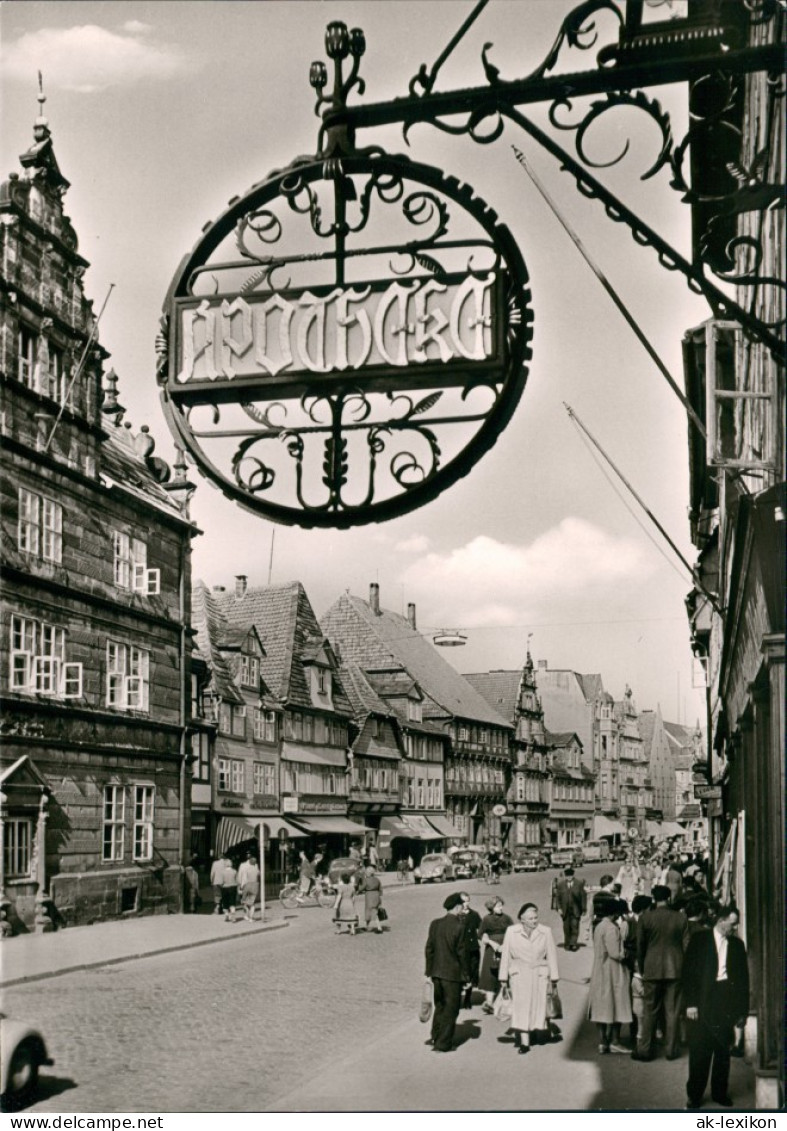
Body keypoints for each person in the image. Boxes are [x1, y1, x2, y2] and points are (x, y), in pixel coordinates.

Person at [683, 904, 749, 1110]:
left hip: (726, 1000)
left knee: (723, 1050)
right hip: (702, 1001)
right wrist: (691, 1003)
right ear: (721, 921)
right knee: (700, 1051)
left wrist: (742, 1012)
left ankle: (720, 1093)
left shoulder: (737, 946)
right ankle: (694, 1095)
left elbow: (743, 981)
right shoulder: (699, 940)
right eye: (733, 924)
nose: (735, 929)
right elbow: (688, 974)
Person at [631, 884, 689, 1061]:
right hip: (675, 969)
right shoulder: (680, 918)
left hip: (652, 968)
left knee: (650, 1010)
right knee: (672, 1011)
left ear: (654, 899)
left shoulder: (645, 918)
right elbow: (687, 946)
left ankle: (645, 1049)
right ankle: (671, 1050)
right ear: (669, 898)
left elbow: (640, 947)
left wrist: (642, 967)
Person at [498, 902, 560, 1055]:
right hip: (519, 975)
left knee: (539, 1006)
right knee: (522, 1007)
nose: (534, 921)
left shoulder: (545, 931)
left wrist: (554, 977)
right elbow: (505, 954)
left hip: (539, 974)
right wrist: (503, 977)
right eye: (530, 918)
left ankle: (537, 1033)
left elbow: (551, 955)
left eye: (536, 917)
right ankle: (525, 1042)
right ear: (522, 920)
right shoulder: (511, 932)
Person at [424, 892, 471, 1053]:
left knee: (440, 1006)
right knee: (451, 1008)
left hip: (436, 973)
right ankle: (443, 1044)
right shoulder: (459, 926)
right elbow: (461, 954)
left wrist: (429, 970)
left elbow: (429, 949)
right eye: (461, 907)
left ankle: (435, 1036)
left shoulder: (435, 924)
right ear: (457, 907)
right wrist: (467, 976)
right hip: (452, 975)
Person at [588, 900, 632, 1054]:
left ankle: (602, 1041)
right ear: (615, 913)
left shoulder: (599, 926)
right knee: (617, 1003)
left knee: (601, 1005)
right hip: (612, 971)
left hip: (600, 968)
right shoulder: (612, 928)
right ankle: (615, 1040)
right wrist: (627, 954)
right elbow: (615, 953)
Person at [478, 896, 514, 1012]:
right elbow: (480, 934)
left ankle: (508, 1001)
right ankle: (489, 1002)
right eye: (498, 906)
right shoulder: (486, 920)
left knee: (507, 973)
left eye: (501, 905)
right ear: (492, 908)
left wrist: (506, 945)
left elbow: (514, 931)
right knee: (490, 975)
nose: (501, 908)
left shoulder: (507, 918)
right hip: (491, 949)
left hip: (506, 947)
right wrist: (489, 941)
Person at [554, 867, 587, 951]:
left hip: (576, 910)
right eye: (567, 875)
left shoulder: (579, 884)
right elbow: (557, 897)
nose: (569, 877)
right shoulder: (561, 885)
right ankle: (567, 943)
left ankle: (573, 944)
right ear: (565, 876)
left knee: (575, 926)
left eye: (570, 875)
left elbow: (583, 897)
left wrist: (583, 909)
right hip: (565, 910)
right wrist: (559, 908)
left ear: (573, 875)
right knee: (566, 927)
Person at [459, 892, 482, 1007]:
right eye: (463, 901)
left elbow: (481, 929)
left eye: (467, 901)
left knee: (471, 973)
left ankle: (468, 998)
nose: (465, 904)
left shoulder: (474, 914)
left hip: (473, 948)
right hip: (461, 950)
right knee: (461, 973)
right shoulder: (456, 915)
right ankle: (458, 997)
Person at [357, 864, 383, 933]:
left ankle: (379, 927)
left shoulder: (366, 880)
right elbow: (380, 889)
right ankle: (367, 926)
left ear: (368, 873)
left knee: (372, 911)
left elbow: (361, 888)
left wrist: (359, 884)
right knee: (371, 911)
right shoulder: (377, 879)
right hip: (376, 895)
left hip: (369, 896)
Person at [332, 870, 358, 935]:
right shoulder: (352, 887)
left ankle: (338, 930)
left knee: (338, 916)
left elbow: (339, 896)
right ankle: (352, 930)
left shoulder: (340, 887)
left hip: (342, 903)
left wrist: (336, 904)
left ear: (342, 880)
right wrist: (353, 904)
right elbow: (353, 897)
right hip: (350, 903)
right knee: (351, 917)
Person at [238, 852, 260, 922]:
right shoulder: (256, 866)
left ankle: (246, 915)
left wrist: (240, 885)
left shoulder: (243, 865)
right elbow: (258, 875)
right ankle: (250, 917)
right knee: (252, 902)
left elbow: (241, 876)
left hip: (246, 885)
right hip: (254, 886)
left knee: (244, 901)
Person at [221, 857, 238, 922]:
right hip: (233, 887)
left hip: (225, 888)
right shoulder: (234, 871)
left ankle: (227, 915)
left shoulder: (222, 872)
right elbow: (237, 880)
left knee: (225, 902)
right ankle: (233, 916)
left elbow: (221, 882)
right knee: (232, 902)